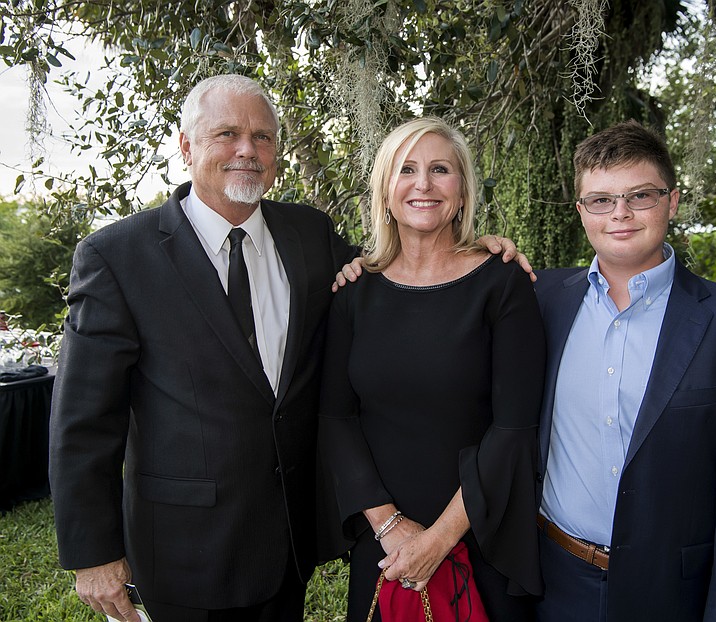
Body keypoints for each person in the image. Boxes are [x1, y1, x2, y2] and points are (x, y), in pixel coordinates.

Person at [49, 75, 525, 622]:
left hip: (286, 546)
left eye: (263, 137)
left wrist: (478, 250)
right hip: (181, 552)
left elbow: (407, 273)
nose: (247, 150)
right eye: (226, 134)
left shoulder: (311, 237)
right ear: (186, 146)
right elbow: (84, 420)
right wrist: (94, 554)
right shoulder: (117, 257)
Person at [534, 120, 716, 622]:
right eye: (602, 200)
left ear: (672, 202)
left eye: (641, 196)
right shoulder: (537, 300)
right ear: (581, 211)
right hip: (549, 583)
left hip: (672, 596)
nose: (621, 213)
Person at [319, 117, 545, 621]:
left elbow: (513, 430)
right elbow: (336, 418)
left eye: (440, 169)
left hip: (481, 537)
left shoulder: (503, 284)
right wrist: (389, 526)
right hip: (383, 547)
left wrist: (438, 539)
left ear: (462, 193)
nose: (423, 184)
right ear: (385, 193)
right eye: (407, 170)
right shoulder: (353, 292)